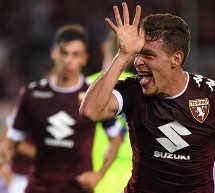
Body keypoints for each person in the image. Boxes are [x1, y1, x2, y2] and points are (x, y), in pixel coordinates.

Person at [80, 2, 215, 193]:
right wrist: (123, 55)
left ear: (175, 59)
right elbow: (90, 111)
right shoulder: (133, 90)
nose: (139, 62)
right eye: (137, 54)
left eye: (149, 55)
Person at [0, 24, 123, 193]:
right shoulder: (31, 94)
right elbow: (11, 144)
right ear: (53, 53)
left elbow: (115, 140)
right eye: (64, 53)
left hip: (75, 188)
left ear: (84, 58)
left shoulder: (93, 96)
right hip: (38, 187)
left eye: (75, 54)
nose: (68, 60)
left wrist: (99, 175)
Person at [88, 31, 133, 193]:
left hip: (95, 174)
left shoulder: (87, 86)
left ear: (104, 48)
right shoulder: (141, 88)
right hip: (132, 177)